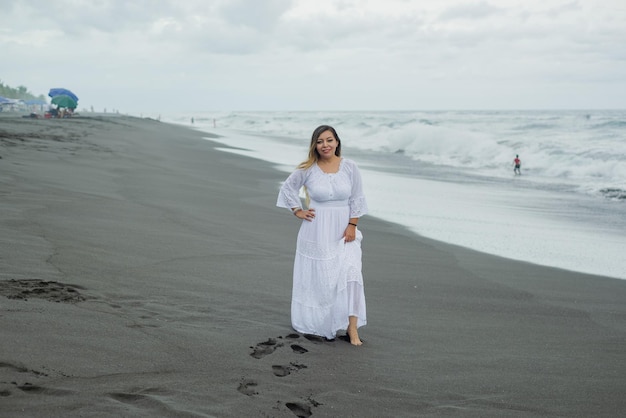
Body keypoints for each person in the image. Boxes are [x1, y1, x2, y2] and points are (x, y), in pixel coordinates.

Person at [277, 125, 368, 346]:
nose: (325, 145)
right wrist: (297, 210)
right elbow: (287, 188)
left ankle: (352, 328)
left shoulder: (349, 167)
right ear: (314, 145)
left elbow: (357, 197)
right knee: (323, 279)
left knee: (351, 275)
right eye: (319, 141)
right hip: (316, 230)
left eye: (329, 140)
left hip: (344, 230)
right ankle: (321, 322)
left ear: (337, 142)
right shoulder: (308, 169)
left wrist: (352, 225)